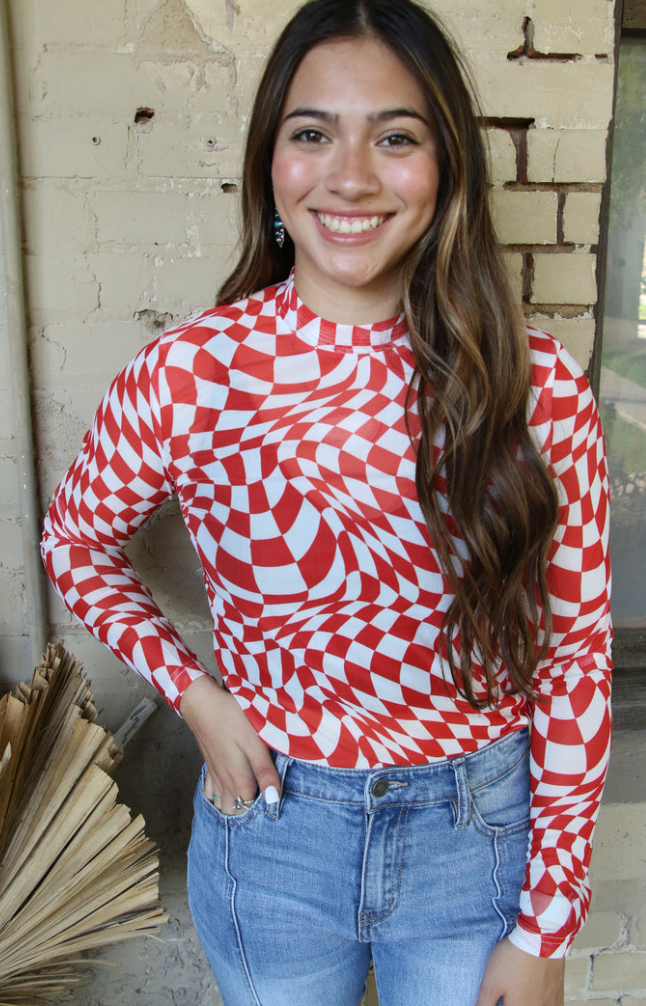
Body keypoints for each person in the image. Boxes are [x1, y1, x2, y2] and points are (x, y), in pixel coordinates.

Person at [41, 1, 612, 1004]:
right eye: (313, 133)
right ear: (272, 162)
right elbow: (75, 544)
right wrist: (198, 699)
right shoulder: (189, 374)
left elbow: (574, 658)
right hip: (270, 832)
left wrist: (547, 922)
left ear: (447, 171)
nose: (350, 174)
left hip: (474, 839)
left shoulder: (538, 388)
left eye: (395, 136)